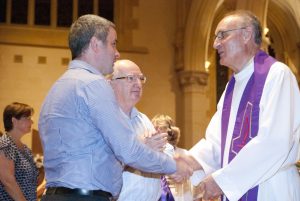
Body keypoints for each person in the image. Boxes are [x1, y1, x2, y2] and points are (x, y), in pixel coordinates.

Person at [38, 14, 192, 201]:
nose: (117, 53)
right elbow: (128, 151)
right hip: (86, 197)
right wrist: (175, 165)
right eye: (113, 44)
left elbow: (92, 153)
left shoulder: (58, 87)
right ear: (95, 44)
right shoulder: (94, 84)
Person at [174, 10, 300, 201]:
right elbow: (218, 143)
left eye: (222, 35)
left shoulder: (277, 75)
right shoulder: (232, 87)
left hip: (270, 189)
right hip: (239, 189)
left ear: (246, 34)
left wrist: (222, 181)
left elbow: (274, 141)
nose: (216, 44)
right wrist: (189, 162)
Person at [108, 59, 172, 201]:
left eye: (141, 78)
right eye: (131, 78)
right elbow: (103, 166)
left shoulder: (143, 120)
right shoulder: (103, 120)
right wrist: (142, 149)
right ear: (110, 83)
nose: (138, 84)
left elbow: (162, 155)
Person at [0, 102, 38, 201]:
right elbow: (8, 182)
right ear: (14, 121)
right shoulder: (4, 144)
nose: (32, 122)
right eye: (28, 118)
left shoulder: (26, 149)